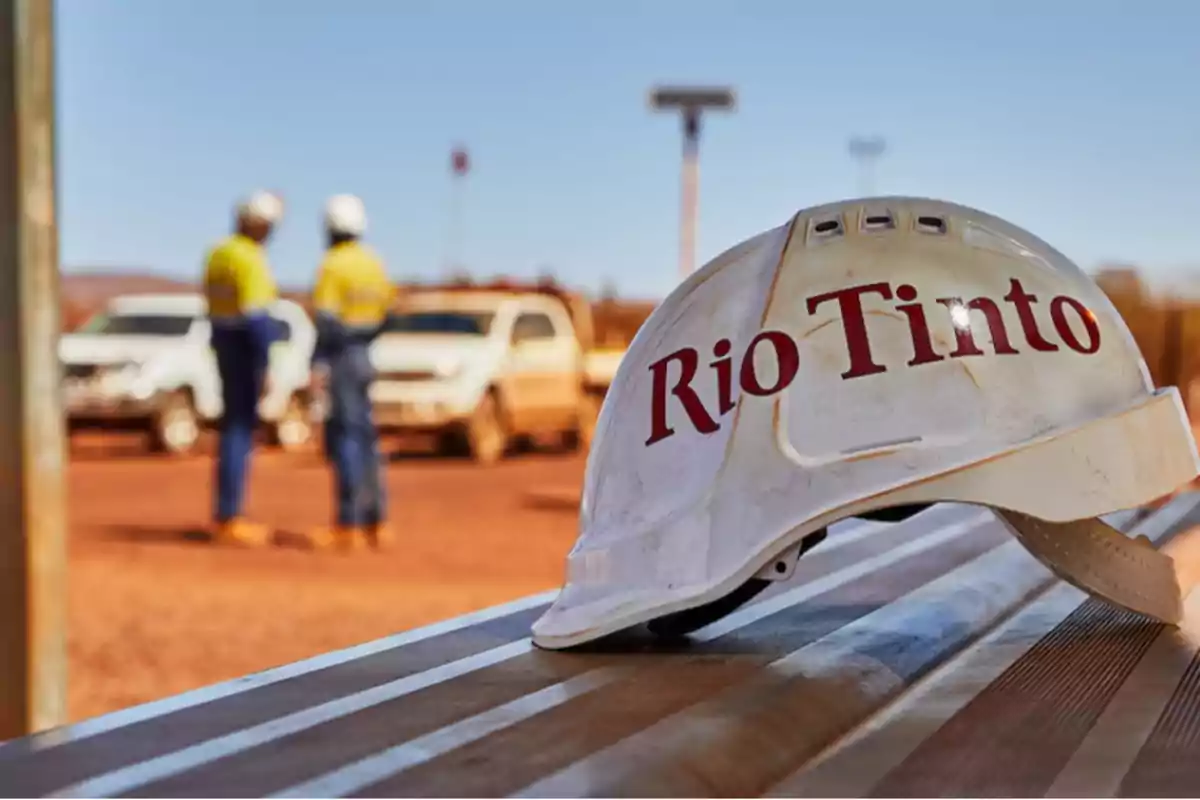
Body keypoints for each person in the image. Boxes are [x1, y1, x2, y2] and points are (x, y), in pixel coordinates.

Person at [308, 194, 396, 552]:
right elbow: (388, 315)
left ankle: (348, 524)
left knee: (345, 437)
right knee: (367, 439)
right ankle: (378, 521)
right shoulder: (373, 263)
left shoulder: (333, 264)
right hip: (366, 356)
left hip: (342, 357)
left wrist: (318, 360)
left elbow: (327, 321)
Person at [202, 190, 284, 547]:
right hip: (244, 348)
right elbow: (256, 318)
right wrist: (265, 364)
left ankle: (226, 513)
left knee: (230, 430)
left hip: (222, 342)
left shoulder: (218, 253)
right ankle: (231, 515)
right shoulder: (250, 257)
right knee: (239, 431)